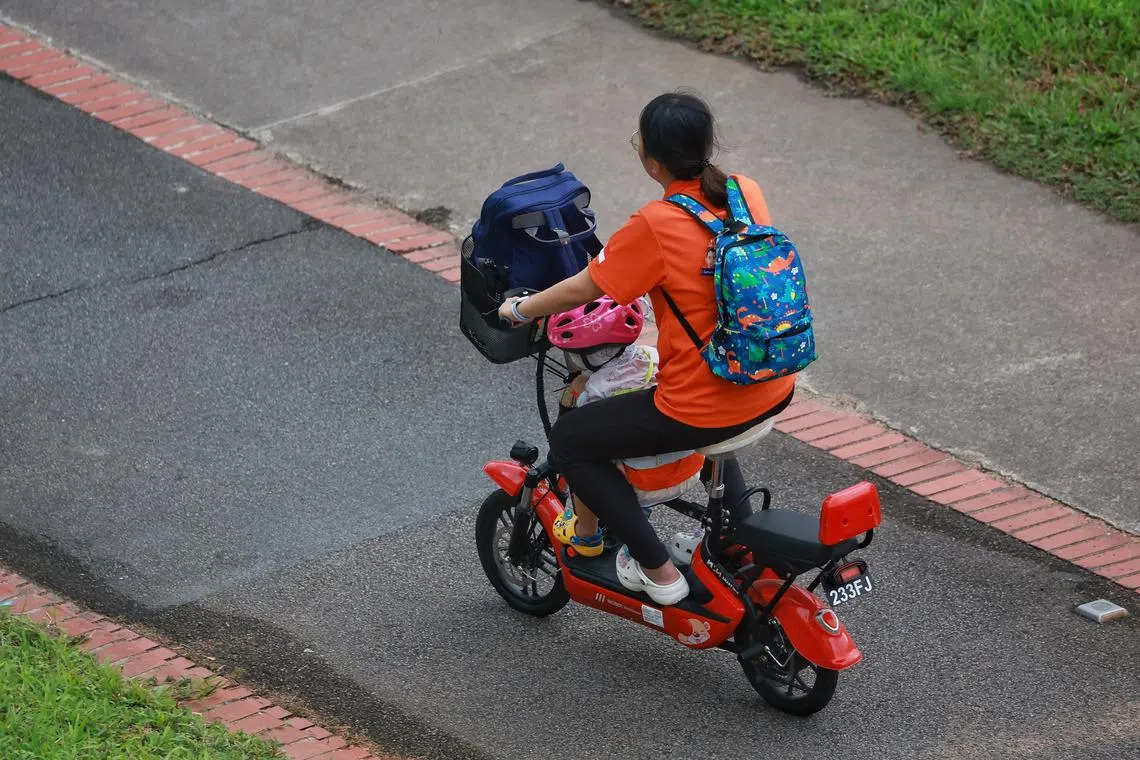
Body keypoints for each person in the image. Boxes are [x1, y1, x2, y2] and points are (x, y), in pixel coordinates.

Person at [499, 91, 796, 606]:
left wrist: (522, 309)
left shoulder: (655, 224)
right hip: (770, 380)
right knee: (688, 402)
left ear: (650, 158)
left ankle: (657, 570)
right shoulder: (744, 191)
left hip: (704, 404)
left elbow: (588, 287)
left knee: (572, 439)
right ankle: (739, 536)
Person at [545, 295, 705, 558]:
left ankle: (587, 534)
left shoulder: (594, 392)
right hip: (690, 470)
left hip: (642, 487)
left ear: (586, 357)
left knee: (578, 458)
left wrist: (581, 390)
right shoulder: (655, 358)